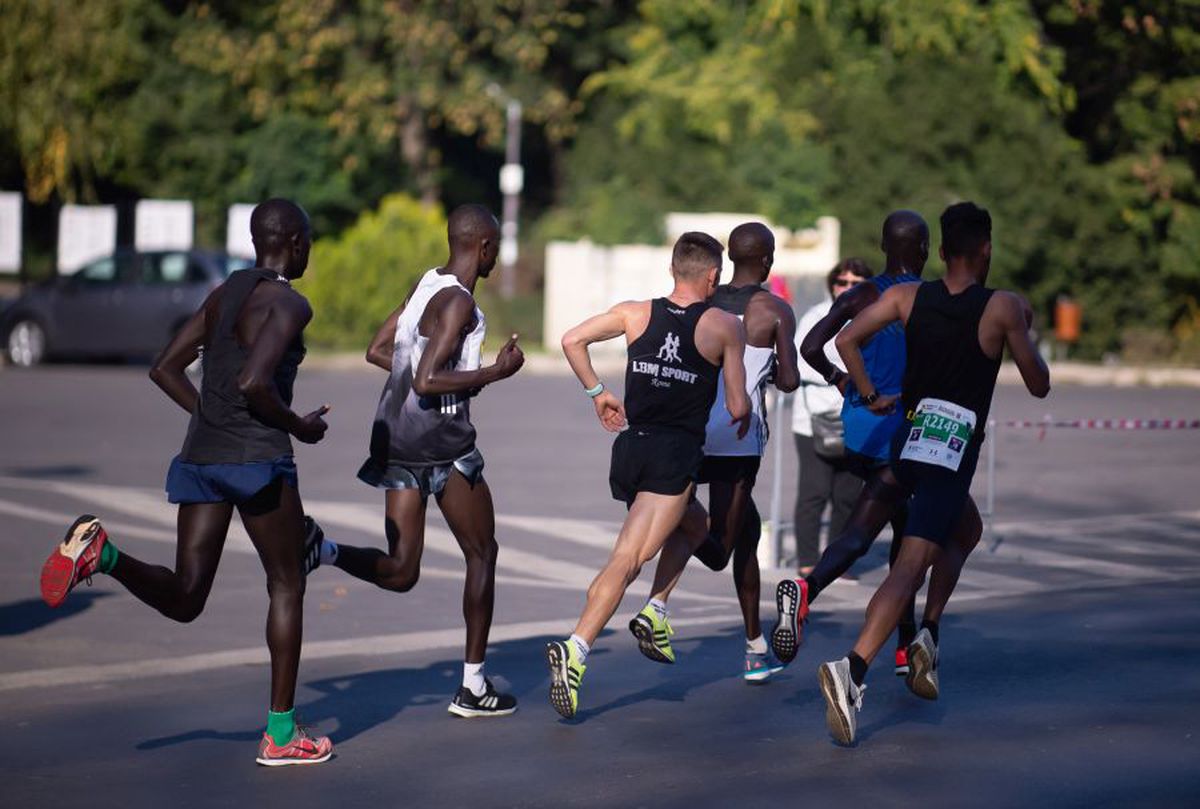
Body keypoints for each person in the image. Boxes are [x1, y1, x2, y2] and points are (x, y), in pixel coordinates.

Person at [38, 199, 334, 766]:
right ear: (295, 241)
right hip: (257, 462)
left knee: (187, 597)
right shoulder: (289, 304)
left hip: (201, 456)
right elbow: (253, 381)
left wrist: (210, 419)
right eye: (309, 240)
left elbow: (163, 368)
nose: (309, 249)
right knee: (287, 583)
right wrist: (300, 424)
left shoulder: (224, 295)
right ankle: (280, 734)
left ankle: (105, 555)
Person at [818, 201, 1050, 745]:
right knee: (909, 566)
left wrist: (867, 393)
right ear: (987, 250)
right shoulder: (1001, 308)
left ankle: (929, 632)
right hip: (950, 454)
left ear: (942, 252)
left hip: (909, 439)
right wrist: (1023, 330)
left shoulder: (904, 297)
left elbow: (845, 340)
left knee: (967, 531)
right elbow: (1038, 384)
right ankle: (852, 669)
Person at [311, 205, 524, 718]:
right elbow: (428, 380)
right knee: (482, 553)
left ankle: (323, 551)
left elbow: (380, 350)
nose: (496, 257)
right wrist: (495, 371)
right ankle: (473, 687)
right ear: (484, 247)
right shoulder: (459, 305)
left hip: (399, 445)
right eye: (495, 248)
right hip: (445, 448)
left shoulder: (426, 285)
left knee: (403, 571)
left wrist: (424, 374)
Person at [546, 232, 750, 718]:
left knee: (695, 525)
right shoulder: (724, 325)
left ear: (673, 269)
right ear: (713, 277)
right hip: (674, 454)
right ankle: (576, 649)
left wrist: (599, 392)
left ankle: (657, 609)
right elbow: (739, 405)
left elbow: (571, 339)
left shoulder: (635, 312)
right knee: (629, 557)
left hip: (632, 448)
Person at [634, 222, 800, 683]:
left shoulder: (705, 300)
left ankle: (754, 646)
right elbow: (788, 380)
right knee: (720, 548)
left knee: (746, 530)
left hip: (691, 429)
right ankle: (665, 570)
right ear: (766, 260)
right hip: (737, 439)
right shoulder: (774, 309)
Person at [773, 211, 928, 675]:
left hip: (858, 429)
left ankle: (904, 646)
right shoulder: (922, 297)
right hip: (897, 427)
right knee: (873, 535)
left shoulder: (861, 293)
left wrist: (846, 384)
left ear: (883, 246)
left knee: (902, 530)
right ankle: (808, 588)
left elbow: (812, 346)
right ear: (922, 249)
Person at [791, 260, 873, 577]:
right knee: (814, 492)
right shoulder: (816, 316)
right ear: (831, 284)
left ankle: (837, 560)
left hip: (858, 417)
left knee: (848, 495)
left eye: (856, 282)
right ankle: (808, 560)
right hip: (814, 417)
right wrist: (841, 376)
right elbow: (804, 361)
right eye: (842, 282)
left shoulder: (876, 316)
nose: (847, 288)